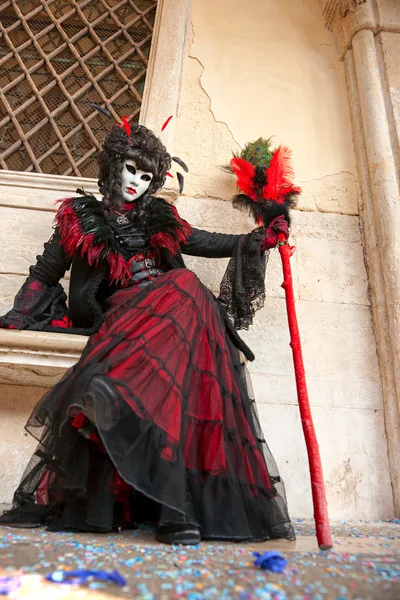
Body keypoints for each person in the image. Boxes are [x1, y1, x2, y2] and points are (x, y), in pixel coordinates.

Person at [0, 123, 294, 545]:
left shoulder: (162, 217)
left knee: (186, 288)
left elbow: (207, 240)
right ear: (113, 167)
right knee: (188, 294)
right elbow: (45, 273)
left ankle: (174, 502)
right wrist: (17, 315)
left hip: (174, 312)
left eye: (145, 175)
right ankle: (176, 509)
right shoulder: (78, 219)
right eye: (130, 169)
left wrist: (261, 238)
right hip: (122, 314)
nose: (136, 181)